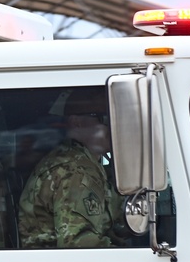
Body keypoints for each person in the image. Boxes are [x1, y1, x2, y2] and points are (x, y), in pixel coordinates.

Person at [17, 87, 126, 248]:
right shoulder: (75, 169)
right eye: (105, 119)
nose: (113, 127)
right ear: (77, 122)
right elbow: (79, 244)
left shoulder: (87, 162)